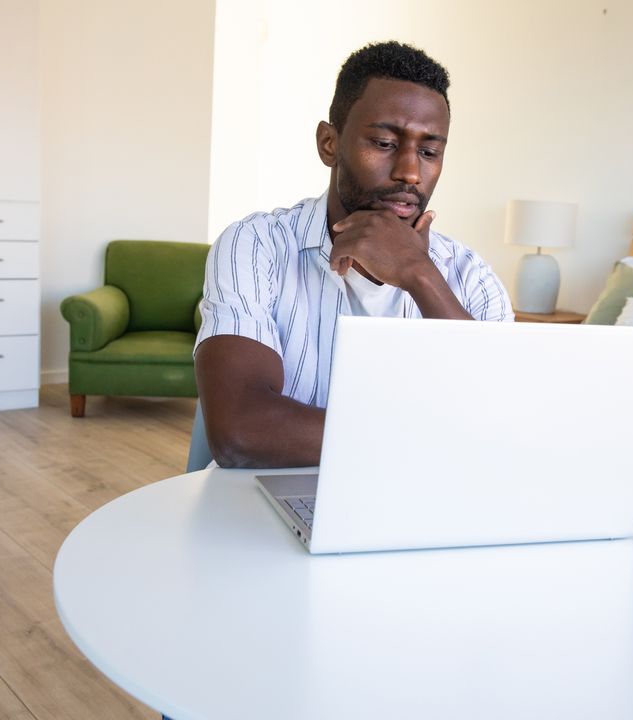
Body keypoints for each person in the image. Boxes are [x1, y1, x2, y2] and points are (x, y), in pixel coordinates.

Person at [194, 41, 513, 469]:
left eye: (429, 152)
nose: (410, 172)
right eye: (384, 143)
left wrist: (420, 275)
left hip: (423, 506)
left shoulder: (471, 277)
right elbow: (241, 431)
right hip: (264, 500)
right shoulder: (256, 246)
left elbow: (508, 422)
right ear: (329, 143)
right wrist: (439, 439)